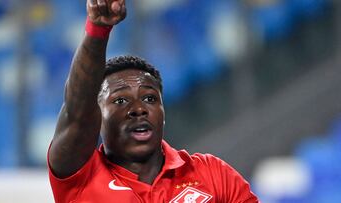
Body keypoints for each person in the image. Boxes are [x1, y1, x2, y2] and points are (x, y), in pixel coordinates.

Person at [47, 0, 260, 202]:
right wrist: (97, 30)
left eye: (150, 98)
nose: (138, 109)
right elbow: (77, 113)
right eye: (120, 100)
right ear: (96, 117)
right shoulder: (80, 178)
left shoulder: (212, 174)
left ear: (163, 112)